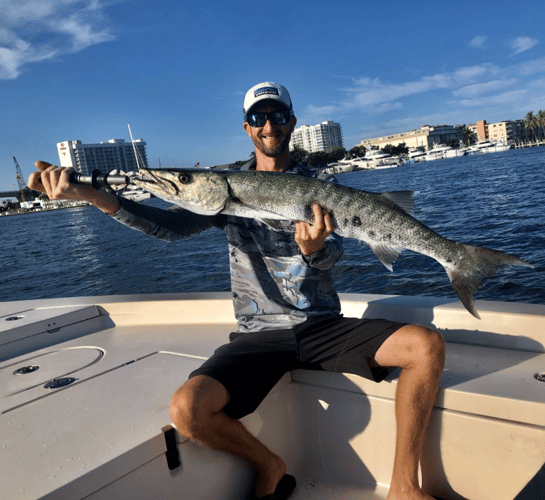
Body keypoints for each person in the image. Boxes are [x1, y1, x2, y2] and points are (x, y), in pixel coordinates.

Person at [29, 82, 445, 500]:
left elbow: (333, 250)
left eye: (278, 116)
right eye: (259, 118)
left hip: (321, 327)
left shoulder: (320, 182)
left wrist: (316, 250)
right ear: (247, 128)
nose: (269, 124)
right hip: (258, 336)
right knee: (187, 409)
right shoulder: (226, 187)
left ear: (292, 123)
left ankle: (404, 488)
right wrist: (93, 197)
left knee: (425, 347)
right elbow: (168, 226)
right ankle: (269, 464)